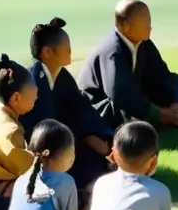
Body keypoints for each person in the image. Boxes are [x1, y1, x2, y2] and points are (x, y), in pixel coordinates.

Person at [22, 18, 115, 195]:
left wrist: (104, 139)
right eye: (65, 45)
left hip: (65, 140)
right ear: (48, 52)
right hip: (44, 152)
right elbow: (43, 128)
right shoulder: (33, 81)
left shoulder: (62, 76)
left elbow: (81, 108)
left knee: (98, 157)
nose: (70, 49)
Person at [78, 0, 178, 130]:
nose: (149, 26)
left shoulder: (144, 44)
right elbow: (119, 93)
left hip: (135, 99)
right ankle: (156, 123)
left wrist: (175, 102)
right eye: (144, 22)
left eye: (149, 21)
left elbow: (163, 76)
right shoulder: (112, 51)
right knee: (124, 115)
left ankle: (162, 120)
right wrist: (159, 114)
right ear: (125, 26)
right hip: (101, 106)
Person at [0, 54, 39, 195]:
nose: (36, 95)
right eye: (34, 90)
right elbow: (29, 169)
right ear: (16, 98)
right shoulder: (11, 132)